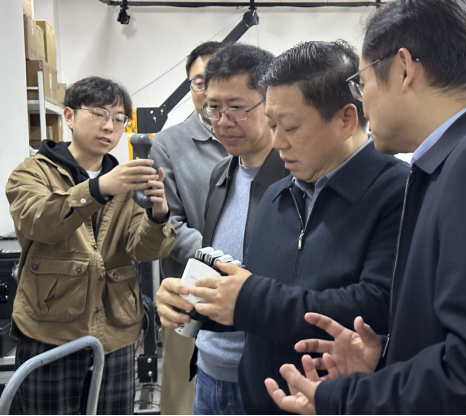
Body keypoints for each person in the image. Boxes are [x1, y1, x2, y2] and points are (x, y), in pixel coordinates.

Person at [265, 1, 466, 414]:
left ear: (404, 68)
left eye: (362, 83)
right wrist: (390, 357)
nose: (362, 103)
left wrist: (344, 398)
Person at [177, 40, 410, 414]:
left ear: (346, 119)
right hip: (258, 399)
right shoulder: (279, 194)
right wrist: (201, 307)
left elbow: (376, 305)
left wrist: (250, 297)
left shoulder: (398, 192)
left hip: (334, 402)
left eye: (289, 127)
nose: (277, 141)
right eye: (272, 125)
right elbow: (266, 304)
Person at [6, 76, 176, 415]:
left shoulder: (127, 180)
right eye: (99, 113)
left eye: (119, 118)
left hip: (116, 332)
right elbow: (39, 222)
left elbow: (143, 250)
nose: (109, 126)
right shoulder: (32, 172)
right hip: (49, 329)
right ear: (69, 116)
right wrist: (97, 189)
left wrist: (158, 215)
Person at [157, 43, 288, 415]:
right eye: (213, 108)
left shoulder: (296, 177)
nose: (222, 121)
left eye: (236, 108)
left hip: (264, 379)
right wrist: (182, 295)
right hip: (209, 369)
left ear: (270, 103)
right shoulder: (222, 173)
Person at [150, 41, 228, 416]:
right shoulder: (168, 145)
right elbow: (169, 225)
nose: (209, 90)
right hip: (188, 295)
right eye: (199, 81)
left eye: (218, 78)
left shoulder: (265, 139)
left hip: (249, 291)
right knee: (184, 399)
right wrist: (225, 258)